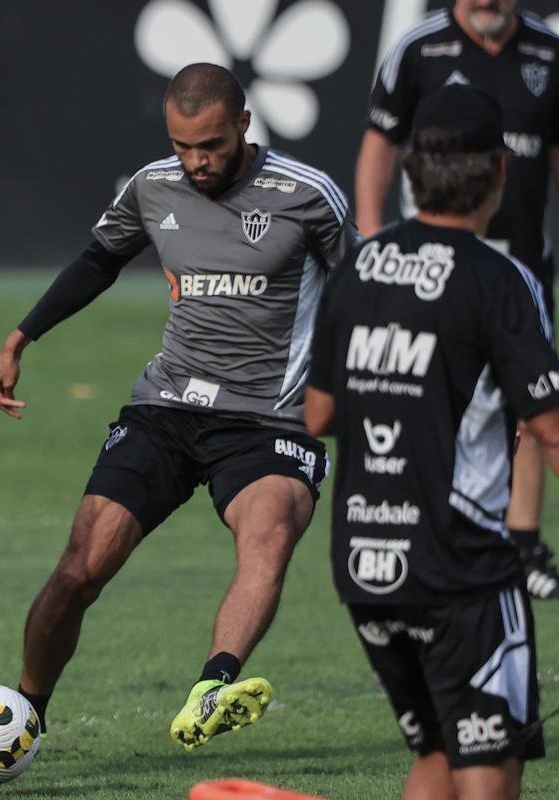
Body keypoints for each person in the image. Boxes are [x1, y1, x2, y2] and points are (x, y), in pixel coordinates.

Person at [0, 63, 356, 751]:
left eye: (210, 144)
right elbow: (99, 261)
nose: (197, 161)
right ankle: (26, 714)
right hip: (166, 409)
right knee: (77, 571)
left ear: (244, 124)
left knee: (267, 536)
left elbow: (362, 296)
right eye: (183, 146)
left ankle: (214, 686)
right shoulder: (153, 187)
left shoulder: (308, 196)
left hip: (271, 418)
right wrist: (20, 337)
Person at [308, 84, 557, 800]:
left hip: (364, 562)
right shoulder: (502, 278)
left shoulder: (360, 264)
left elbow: (318, 413)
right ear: (501, 172)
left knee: (439, 755)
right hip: (463, 570)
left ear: (411, 173)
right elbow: (548, 426)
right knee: (489, 766)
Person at [355, 0, 559, 599]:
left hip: (520, 264)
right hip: (431, 268)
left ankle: (521, 542)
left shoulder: (549, 52)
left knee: (531, 398)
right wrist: (370, 240)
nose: (486, 3)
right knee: (427, 390)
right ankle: (422, 524)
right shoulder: (419, 48)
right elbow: (379, 144)